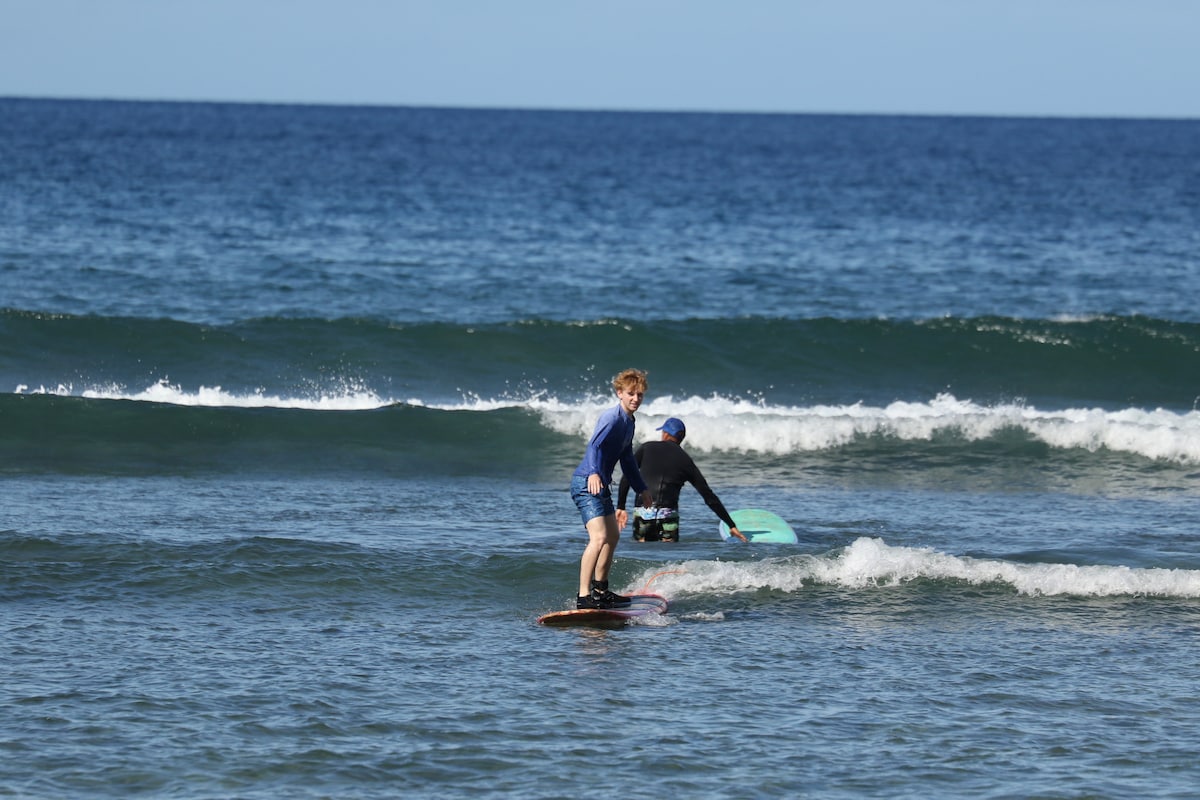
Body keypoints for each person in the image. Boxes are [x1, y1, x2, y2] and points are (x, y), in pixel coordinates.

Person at [570, 368, 654, 609]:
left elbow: (627, 459)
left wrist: (641, 488)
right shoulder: (612, 417)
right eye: (631, 394)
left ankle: (601, 591)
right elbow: (594, 445)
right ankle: (584, 596)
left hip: (601, 485)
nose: (635, 399)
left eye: (639, 395)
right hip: (586, 482)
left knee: (613, 536)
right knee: (598, 537)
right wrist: (594, 472)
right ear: (620, 393)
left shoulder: (629, 422)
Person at [617, 417, 748, 543]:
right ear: (682, 438)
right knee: (669, 555)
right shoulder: (685, 460)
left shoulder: (646, 448)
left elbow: (628, 475)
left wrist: (621, 506)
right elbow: (708, 496)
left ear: (665, 434)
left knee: (643, 552)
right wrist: (731, 525)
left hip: (644, 511)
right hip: (668, 514)